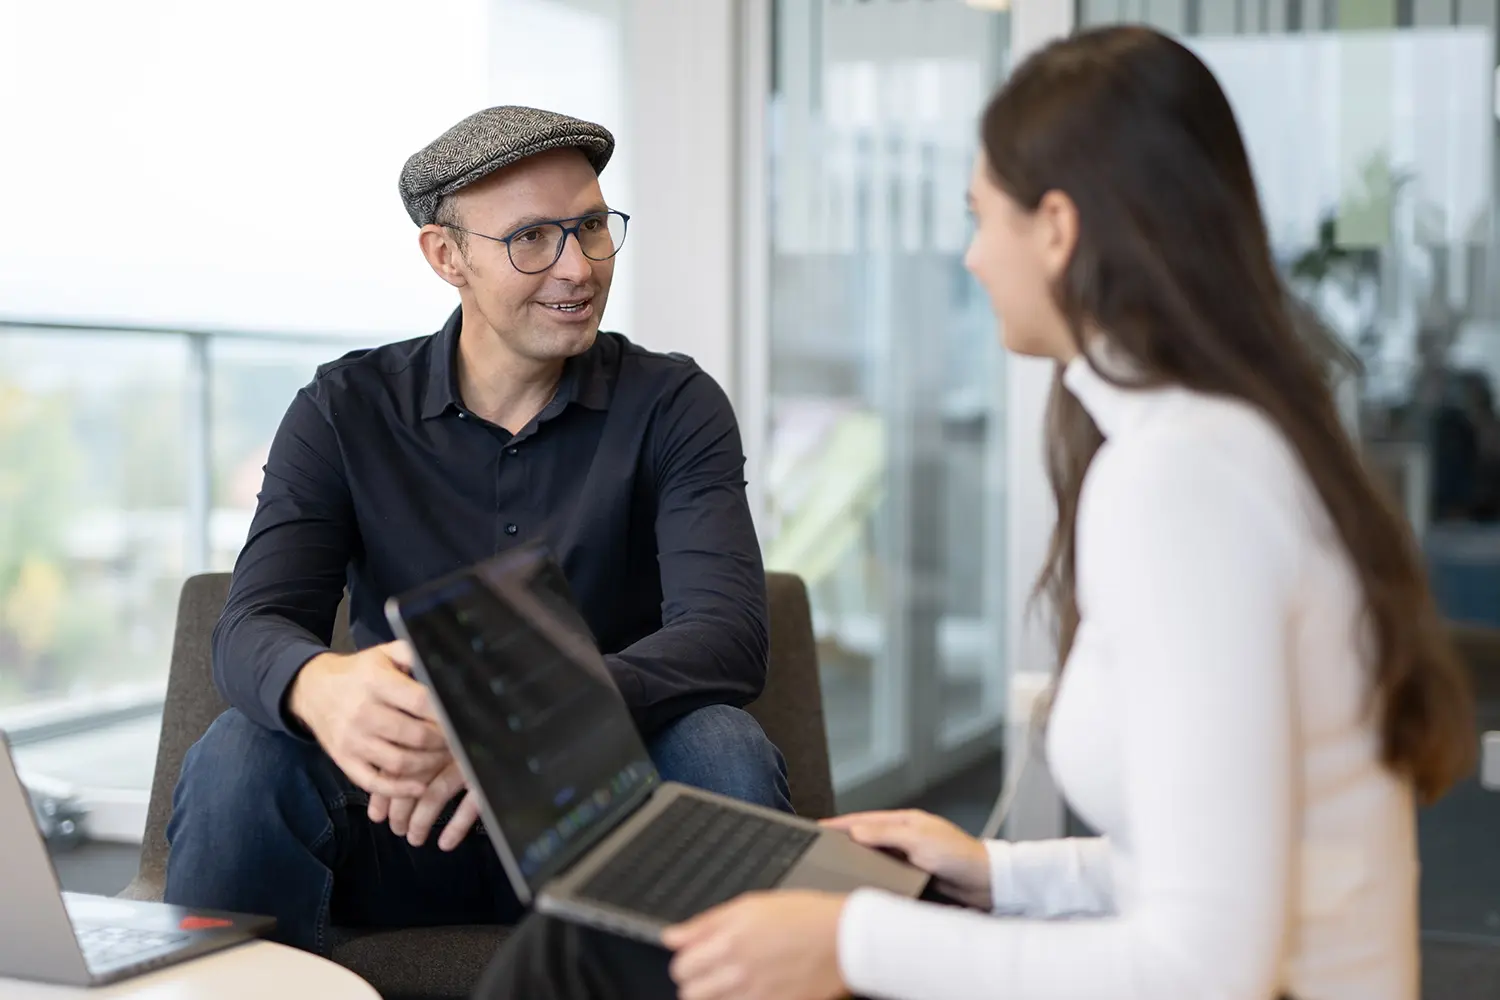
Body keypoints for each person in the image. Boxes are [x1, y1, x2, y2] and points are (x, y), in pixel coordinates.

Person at [474, 26, 1476, 1000]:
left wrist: (855, 942)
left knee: (582, 958)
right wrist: (998, 872)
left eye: (980, 215)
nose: (969, 258)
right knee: (601, 948)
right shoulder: (1216, 442)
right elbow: (1214, 864)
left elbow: (1207, 967)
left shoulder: (1183, 484)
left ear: (1058, 228)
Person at [163, 105, 791, 956]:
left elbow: (726, 638)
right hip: (403, 819)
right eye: (533, 238)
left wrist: (516, 734)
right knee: (240, 755)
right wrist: (321, 687)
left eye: (593, 228)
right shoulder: (343, 408)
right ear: (445, 256)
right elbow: (250, 625)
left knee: (723, 748)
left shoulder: (673, 404)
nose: (578, 267)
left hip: (605, 816)